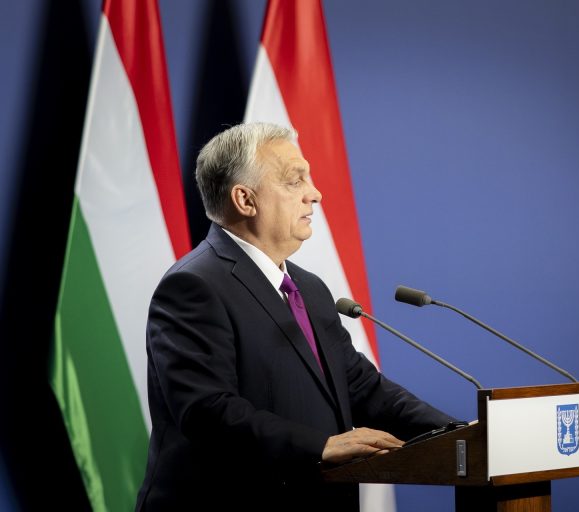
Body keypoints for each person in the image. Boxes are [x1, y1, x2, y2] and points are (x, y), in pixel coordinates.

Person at [135, 122, 455, 511]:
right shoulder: (193, 286)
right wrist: (320, 446)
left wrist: (458, 434)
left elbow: (361, 387)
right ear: (245, 200)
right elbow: (208, 411)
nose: (315, 193)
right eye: (295, 180)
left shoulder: (310, 288)